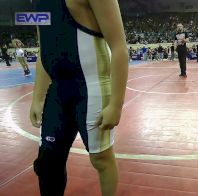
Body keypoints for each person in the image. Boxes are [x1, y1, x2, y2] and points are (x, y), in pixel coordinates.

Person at [30, 0, 128, 196]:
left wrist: (116, 104)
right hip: (57, 91)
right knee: (48, 163)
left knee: (101, 158)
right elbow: (44, 48)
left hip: (91, 88)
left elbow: (119, 47)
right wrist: (38, 97)